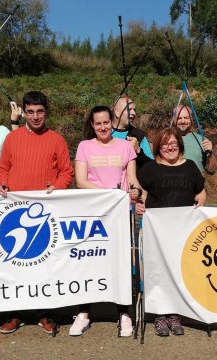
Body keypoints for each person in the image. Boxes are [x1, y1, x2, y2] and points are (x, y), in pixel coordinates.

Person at [0, 91, 74, 335]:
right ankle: (15, 314)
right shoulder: (12, 138)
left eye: (39, 111)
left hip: (45, 216)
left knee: (44, 264)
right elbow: (3, 168)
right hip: (15, 213)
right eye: (30, 111)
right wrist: (2, 183)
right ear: (24, 112)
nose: (35, 116)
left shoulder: (57, 140)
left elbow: (66, 173)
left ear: (46, 112)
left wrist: (57, 186)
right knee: (16, 265)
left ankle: (45, 313)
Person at [71, 105, 141, 337]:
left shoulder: (125, 147)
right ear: (92, 125)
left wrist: (135, 192)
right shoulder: (84, 146)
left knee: (122, 262)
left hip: (120, 212)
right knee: (90, 261)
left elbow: (132, 180)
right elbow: (80, 181)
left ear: (112, 122)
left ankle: (123, 313)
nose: (102, 127)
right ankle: (83, 313)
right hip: (93, 212)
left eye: (106, 122)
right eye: (98, 123)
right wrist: (109, 193)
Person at [136, 127, 206, 337]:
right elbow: (141, 195)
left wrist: (200, 204)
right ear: (158, 147)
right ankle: (159, 314)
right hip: (156, 232)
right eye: (165, 144)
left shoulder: (191, 167)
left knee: (179, 271)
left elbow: (201, 192)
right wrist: (139, 204)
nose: (170, 147)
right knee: (157, 272)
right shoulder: (149, 168)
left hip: (183, 231)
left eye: (174, 143)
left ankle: (175, 313)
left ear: (180, 145)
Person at [172, 104, 217, 175]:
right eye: (179, 118)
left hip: (194, 185)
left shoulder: (202, 140)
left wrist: (210, 154)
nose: (183, 121)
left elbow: (212, 170)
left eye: (186, 118)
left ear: (191, 119)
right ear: (174, 120)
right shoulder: (166, 139)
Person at [112, 97, 154, 169]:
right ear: (117, 112)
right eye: (129, 109)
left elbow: (151, 165)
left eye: (134, 110)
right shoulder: (103, 132)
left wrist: (138, 151)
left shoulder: (139, 135)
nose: (134, 113)